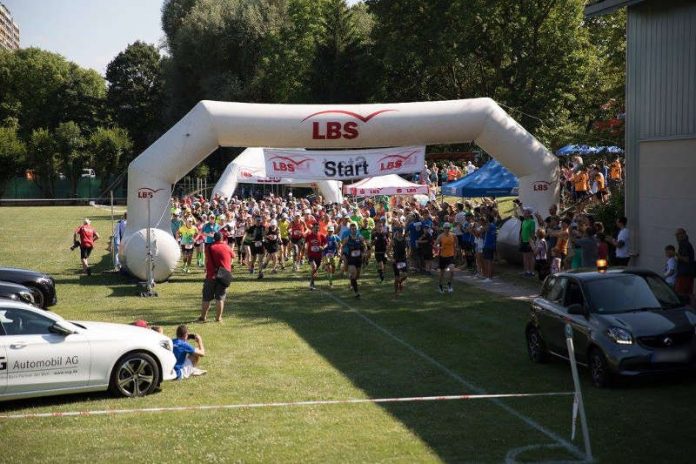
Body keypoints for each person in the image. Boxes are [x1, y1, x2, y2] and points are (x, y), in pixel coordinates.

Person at [199, 232, 234, 323]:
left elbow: (207, 259)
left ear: (214, 239)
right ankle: (218, 318)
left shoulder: (209, 248)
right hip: (223, 276)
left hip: (211, 275)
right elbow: (233, 256)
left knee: (206, 298)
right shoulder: (227, 247)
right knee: (220, 298)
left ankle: (203, 317)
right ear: (222, 238)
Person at [343, 222, 366, 298]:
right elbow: (342, 246)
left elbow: (365, 246)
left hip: (359, 259)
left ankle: (352, 280)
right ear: (350, 229)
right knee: (354, 274)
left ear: (357, 229)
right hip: (351, 259)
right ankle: (356, 293)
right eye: (352, 228)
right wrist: (342, 255)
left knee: (357, 276)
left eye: (355, 228)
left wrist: (364, 252)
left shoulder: (360, 237)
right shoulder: (347, 239)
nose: (353, 230)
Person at [435, 222, 457, 293]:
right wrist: (440, 247)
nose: (447, 229)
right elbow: (435, 245)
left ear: (450, 229)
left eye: (448, 228)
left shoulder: (453, 235)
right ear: (443, 229)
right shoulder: (440, 236)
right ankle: (440, 286)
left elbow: (456, 243)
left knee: (452, 270)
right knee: (442, 273)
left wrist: (455, 250)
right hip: (443, 256)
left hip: (450, 256)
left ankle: (449, 285)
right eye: (445, 228)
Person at [674, 228, 695, 300]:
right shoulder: (687, 244)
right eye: (676, 235)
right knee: (688, 295)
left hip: (684, 274)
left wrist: (675, 254)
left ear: (683, 234)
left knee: (681, 294)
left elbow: (686, 259)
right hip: (689, 274)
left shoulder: (684, 244)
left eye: (678, 234)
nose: (677, 236)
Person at [305, 223, 326, 290]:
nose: (317, 229)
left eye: (317, 228)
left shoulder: (321, 235)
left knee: (315, 270)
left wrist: (323, 247)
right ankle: (311, 284)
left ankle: (312, 282)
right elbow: (305, 243)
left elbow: (326, 243)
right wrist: (305, 252)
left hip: (318, 256)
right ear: (312, 228)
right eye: (315, 227)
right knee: (314, 267)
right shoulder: (309, 235)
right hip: (311, 255)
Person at [392, 227, 409, 296]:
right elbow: (388, 250)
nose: (400, 234)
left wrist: (408, 255)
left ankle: (400, 282)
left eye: (401, 233)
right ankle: (396, 292)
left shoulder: (405, 240)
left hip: (403, 260)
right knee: (396, 278)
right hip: (396, 260)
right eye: (398, 233)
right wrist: (391, 258)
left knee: (405, 275)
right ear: (397, 233)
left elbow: (408, 248)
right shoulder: (394, 240)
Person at [519, 207, 536, 277]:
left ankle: (531, 272)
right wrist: (520, 239)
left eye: (525, 213)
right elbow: (522, 231)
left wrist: (532, 242)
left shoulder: (532, 221)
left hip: (529, 241)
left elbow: (532, 233)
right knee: (525, 257)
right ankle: (526, 271)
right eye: (524, 213)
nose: (524, 214)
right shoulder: (523, 221)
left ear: (529, 214)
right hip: (523, 241)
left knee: (530, 257)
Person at [481, 215, 497, 282]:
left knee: (488, 261)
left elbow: (483, 230)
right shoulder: (493, 225)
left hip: (488, 245)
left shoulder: (490, 225)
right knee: (490, 261)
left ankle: (489, 277)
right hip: (491, 245)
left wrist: (484, 225)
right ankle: (490, 276)